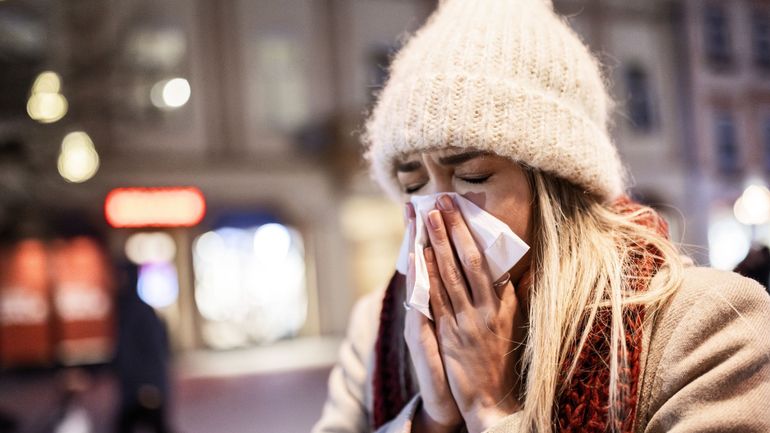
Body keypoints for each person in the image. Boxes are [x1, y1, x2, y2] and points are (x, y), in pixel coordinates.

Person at [312, 0, 770, 432]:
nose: (436, 212)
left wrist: (491, 409)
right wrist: (431, 421)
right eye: (413, 186)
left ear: (555, 183)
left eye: (472, 176)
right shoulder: (375, 328)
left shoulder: (707, 328)